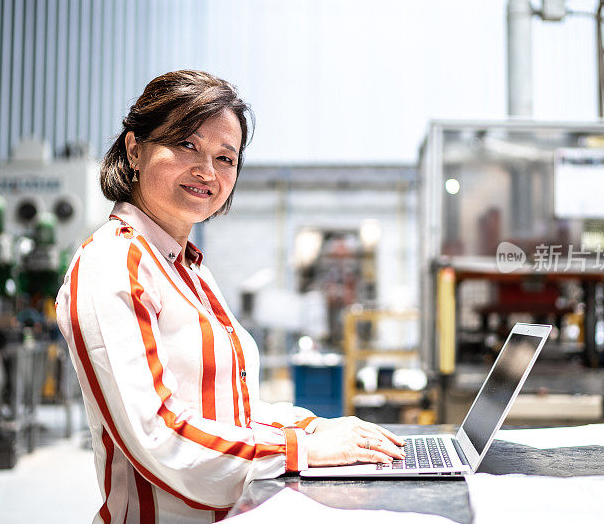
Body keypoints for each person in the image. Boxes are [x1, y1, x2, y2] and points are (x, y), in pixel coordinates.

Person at [55, 70, 404, 524]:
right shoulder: (113, 264)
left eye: (226, 158)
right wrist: (303, 449)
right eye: (186, 145)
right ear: (134, 150)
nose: (207, 171)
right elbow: (158, 436)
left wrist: (314, 426)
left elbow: (226, 409)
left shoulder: (185, 266)